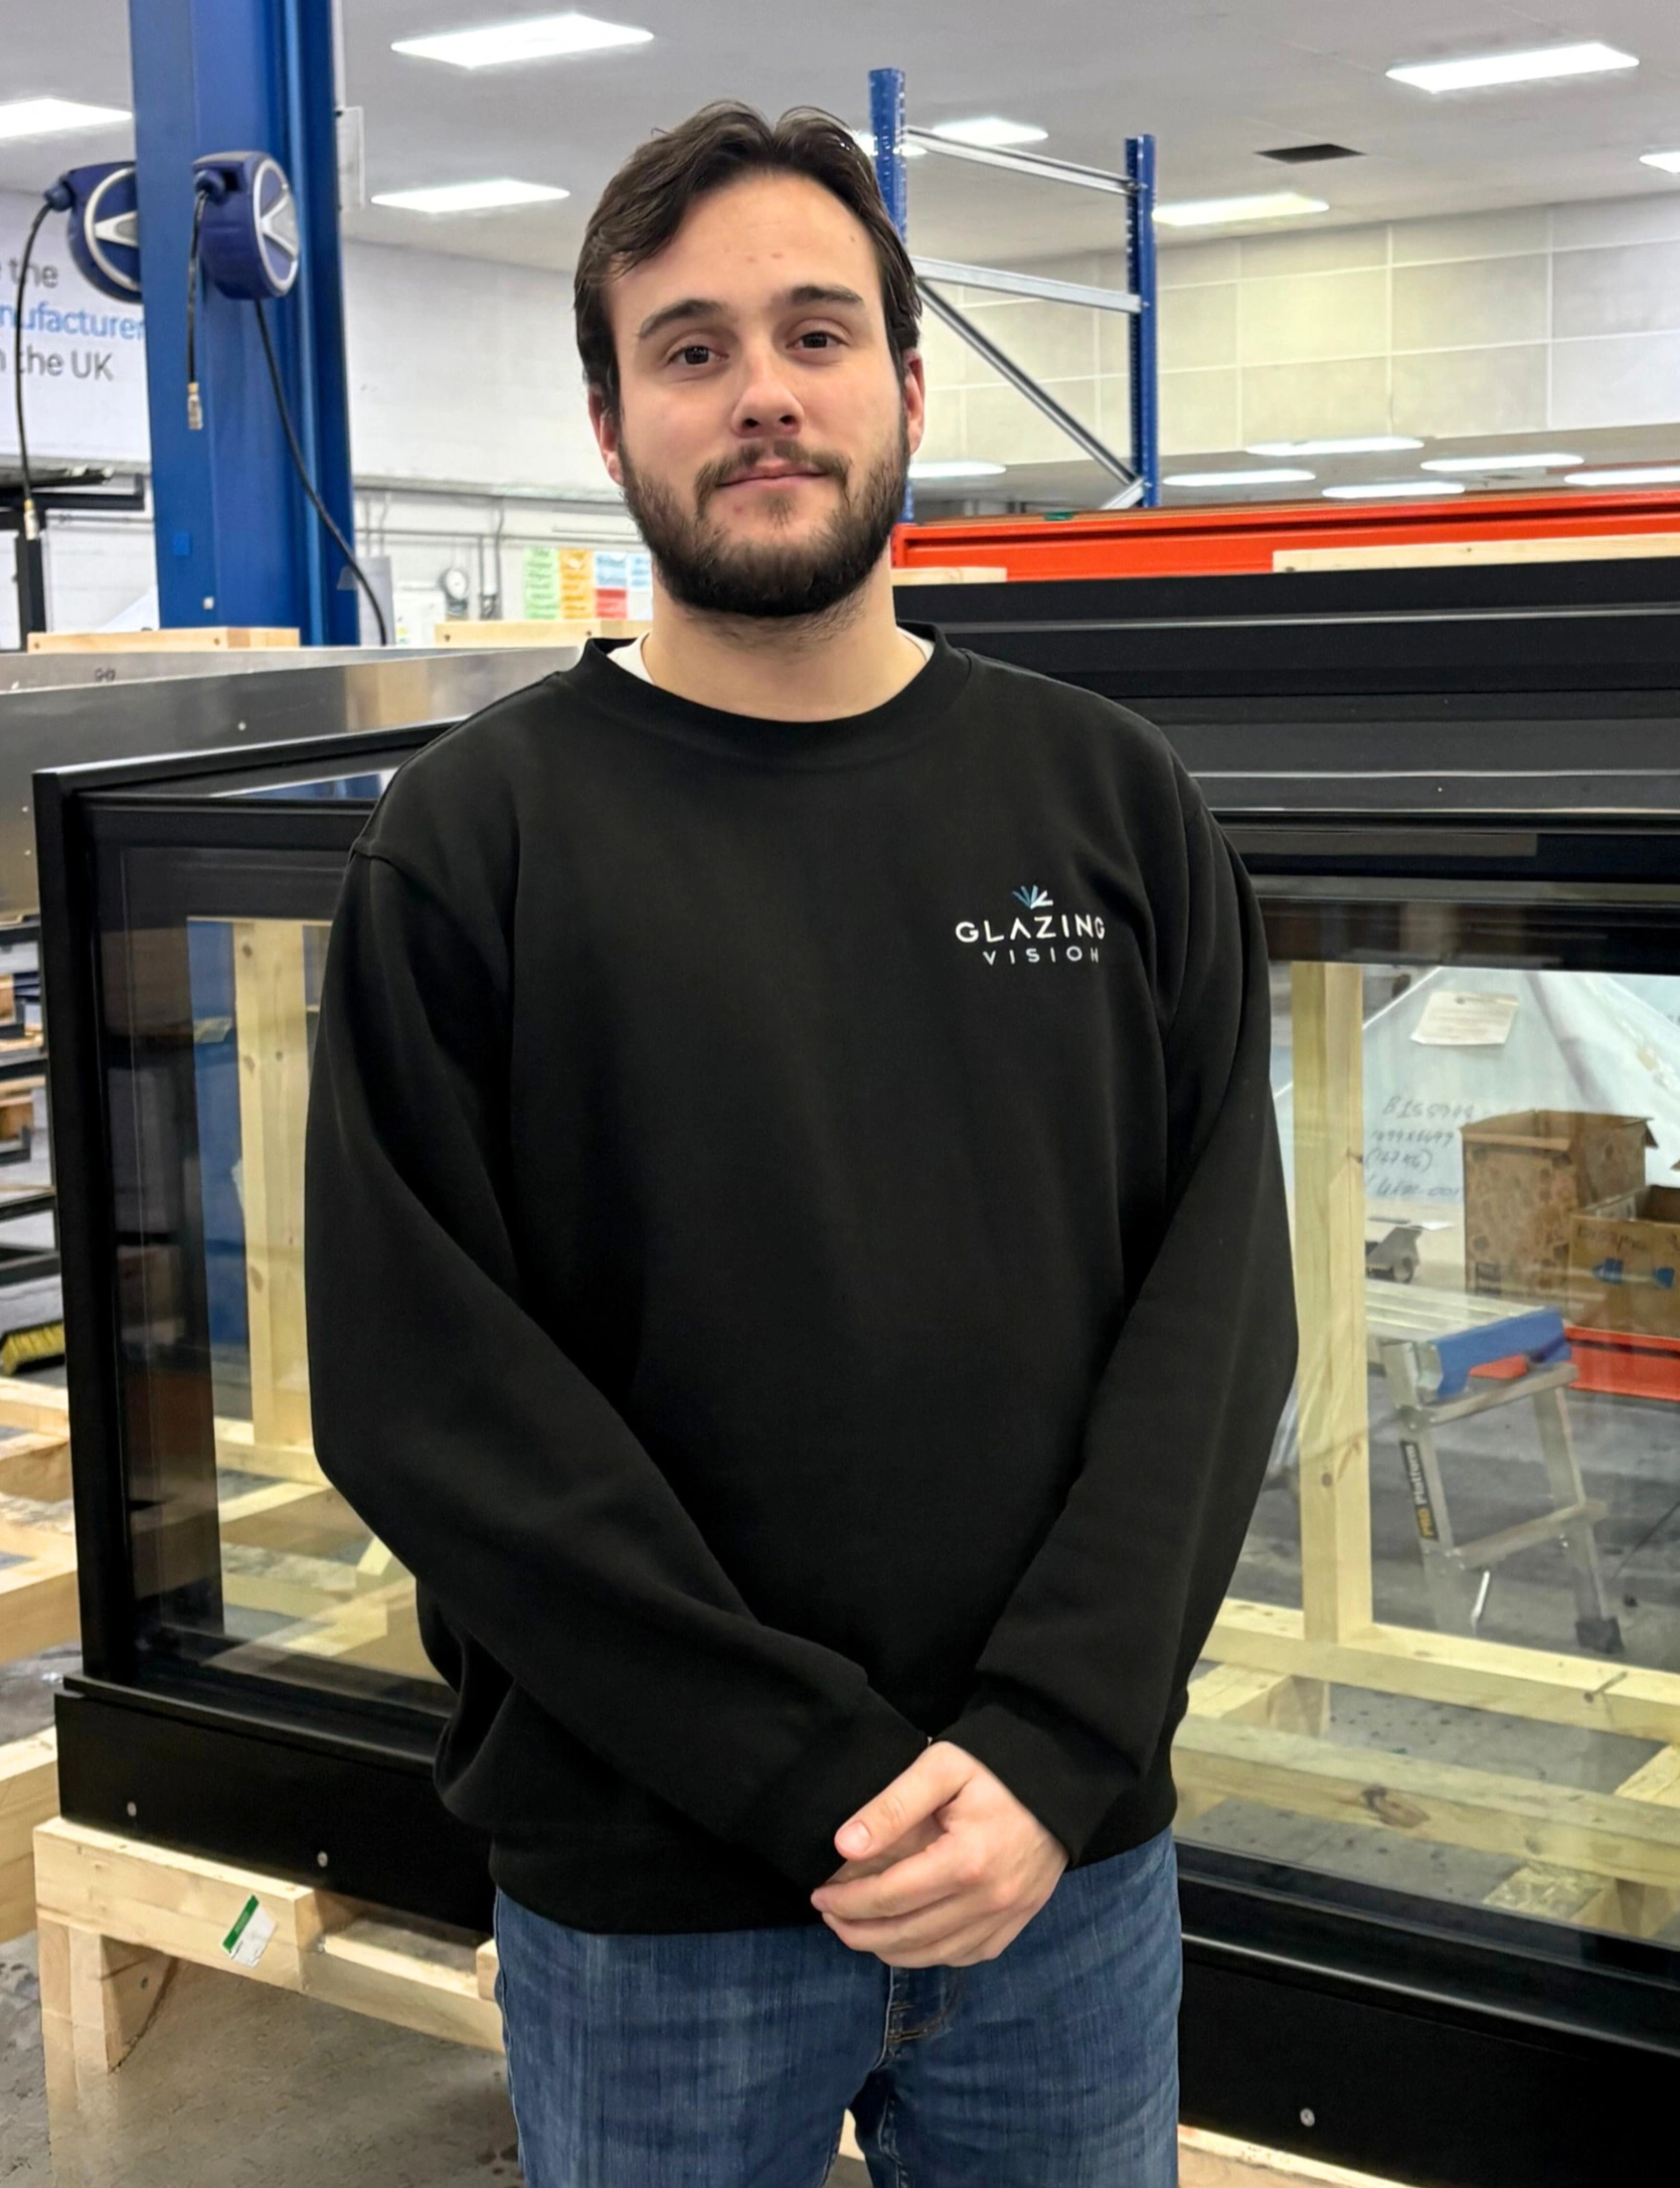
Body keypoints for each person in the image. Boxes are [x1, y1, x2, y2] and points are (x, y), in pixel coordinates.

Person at [303, 100, 1296, 2188]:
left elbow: (1216, 1325)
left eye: (817, 333)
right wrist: (814, 1769)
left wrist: (1046, 1745)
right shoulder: (472, 844)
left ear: (911, 388)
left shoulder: (1112, 801)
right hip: (654, 1890)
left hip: (1059, 1874)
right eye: (691, 348)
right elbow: (427, 1395)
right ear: (610, 424)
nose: (762, 390)